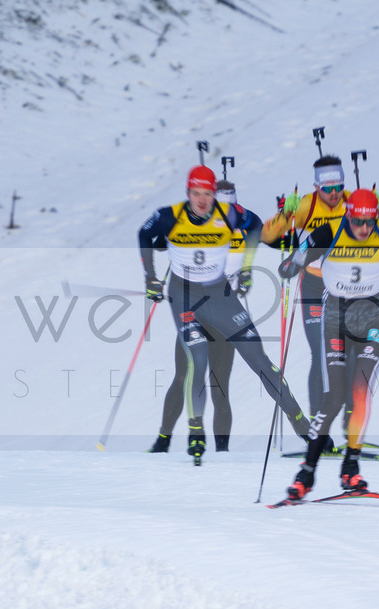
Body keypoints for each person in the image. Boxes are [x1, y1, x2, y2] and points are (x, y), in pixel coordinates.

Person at [138, 165, 310, 464]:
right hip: (184, 297)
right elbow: (144, 233)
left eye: (208, 194)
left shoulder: (230, 215)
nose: (202, 200)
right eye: (196, 194)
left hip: (221, 296)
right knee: (197, 359)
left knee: (260, 361)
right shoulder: (170, 215)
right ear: (188, 193)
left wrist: (246, 267)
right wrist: (150, 277)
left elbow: (258, 227)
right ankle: (194, 434)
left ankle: (306, 430)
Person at [279, 189, 379, 500]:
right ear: (348, 214)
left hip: (372, 318)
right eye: (358, 221)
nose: (364, 228)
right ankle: (306, 472)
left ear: (376, 216)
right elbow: (288, 269)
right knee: (334, 397)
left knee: (360, 392)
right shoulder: (328, 232)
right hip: (335, 317)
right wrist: (295, 259)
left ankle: (351, 465)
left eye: (369, 221)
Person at [147, 179, 248, 453]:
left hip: (223, 318)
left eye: (231, 204)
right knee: (184, 376)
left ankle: (222, 451)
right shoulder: (201, 225)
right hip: (193, 314)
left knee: (219, 386)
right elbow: (161, 243)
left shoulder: (236, 232)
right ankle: (162, 442)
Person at [262, 156, 352, 423]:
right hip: (313, 283)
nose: (334, 194)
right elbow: (268, 236)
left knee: (346, 353)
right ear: (316, 187)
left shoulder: (352, 200)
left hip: (346, 284)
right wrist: (285, 214)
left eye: (338, 187)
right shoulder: (304, 206)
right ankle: (317, 423)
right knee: (320, 351)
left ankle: (351, 423)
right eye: (327, 189)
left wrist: (378, 209)